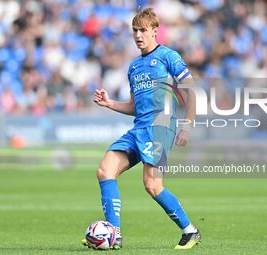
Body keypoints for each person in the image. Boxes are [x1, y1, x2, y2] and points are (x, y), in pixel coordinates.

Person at [82, 7, 200, 250]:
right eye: (134, 30)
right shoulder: (134, 66)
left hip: (160, 127)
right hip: (139, 129)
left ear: (155, 31)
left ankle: (190, 231)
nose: (138, 35)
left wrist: (187, 125)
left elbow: (191, 91)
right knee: (105, 171)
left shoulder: (169, 56)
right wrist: (110, 103)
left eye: (143, 30)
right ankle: (114, 233)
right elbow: (136, 106)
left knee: (152, 185)